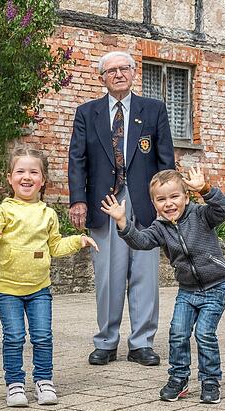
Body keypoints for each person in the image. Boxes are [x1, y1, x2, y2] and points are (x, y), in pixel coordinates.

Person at [68, 51, 175, 366]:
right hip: (105, 204)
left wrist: (168, 203)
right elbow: (77, 161)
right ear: (101, 77)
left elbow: (165, 161)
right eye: (111, 70)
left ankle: (141, 343)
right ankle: (106, 341)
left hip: (143, 204)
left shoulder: (153, 110)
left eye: (124, 68)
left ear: (133, 73)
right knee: (108, 276)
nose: (118, 74)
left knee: (144, 275)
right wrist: (77, 200)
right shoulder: (87, 113)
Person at [0, 148, 98, 407]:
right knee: (14, 337)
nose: (26, 177)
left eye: (34, 172)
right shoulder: (2, 212)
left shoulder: (48, 214)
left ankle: (44, 381)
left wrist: (78, 240)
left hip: (40, 288)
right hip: (8, 289)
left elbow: (55, 248)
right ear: (10, 178)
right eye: (20, 171)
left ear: (43, 180)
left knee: (42, 336)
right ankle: (15, 385)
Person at [101, 167, 225, 404]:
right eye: (161, 199)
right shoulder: (160, 228)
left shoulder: (201, 216)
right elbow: (140, 241)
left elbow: (224, 209)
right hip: (187, 291)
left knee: (204, 334)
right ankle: (178, 378)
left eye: (174, 197)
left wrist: (205, 189)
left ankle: (211, 381)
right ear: (154, 204)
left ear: (186, 197)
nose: (169, 203)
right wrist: (122, 222)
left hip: (214, 287)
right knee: (178, 333)